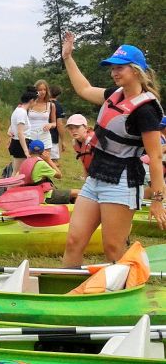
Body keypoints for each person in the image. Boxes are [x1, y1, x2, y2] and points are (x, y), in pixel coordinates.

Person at [60, 32, 165, 266]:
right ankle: (68, 295)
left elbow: (156, 158)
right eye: (112, 68)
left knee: (113, 249)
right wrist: (68, 57)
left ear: (136, 70)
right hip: (96, 176)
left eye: (120, 68)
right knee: (74, 241)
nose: (114, 72)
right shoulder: (115, 95)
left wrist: (157, 199)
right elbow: (84, 89)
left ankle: (128, 296)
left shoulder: (145, 110)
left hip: (122, 181)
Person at [20, 140, 74, 204]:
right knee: (77, 193)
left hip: (29, 194)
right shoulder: (41, 164)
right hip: (44, 196)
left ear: (29, 151)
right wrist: (49, 160)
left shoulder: (24, 162)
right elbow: (59, 175)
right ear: (43, 151)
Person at [8, 90, 38, 171]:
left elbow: (12, 126)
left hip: (19, 143)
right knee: (17, 172)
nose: (36, 103)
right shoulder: (22, 112)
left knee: (18, 171)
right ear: (32, 100)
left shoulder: (18, 110)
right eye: (36, 101)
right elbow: (20, 133)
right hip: (20, 144)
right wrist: (25, 151)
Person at [27, 80, 57, 155]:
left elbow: (54, 123)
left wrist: (50, 125)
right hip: (30, 136)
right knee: (30, 161)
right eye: (40, 90)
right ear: (35, 91)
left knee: (45, 161)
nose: (43, 92)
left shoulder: (51, 105)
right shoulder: (29, 104)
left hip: (45, 136)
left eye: (44, 89)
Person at [49, 85, 67, 162]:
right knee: (53, 163)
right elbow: (59, 124)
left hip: (39, 136)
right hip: (52, 138)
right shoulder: (58, 106)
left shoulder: (42, 104)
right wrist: (63, 140)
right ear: (59, 94)